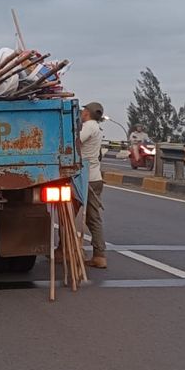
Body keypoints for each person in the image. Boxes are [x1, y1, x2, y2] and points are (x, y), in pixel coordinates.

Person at [79, 102, 107, 269]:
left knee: (92, 217)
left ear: (87, 113)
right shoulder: (96, 127)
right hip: (92, 176)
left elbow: (77, 141)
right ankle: (64, 248)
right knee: (73, 213)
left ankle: (99, 254)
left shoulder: (89, 126)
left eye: (83, 110)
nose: (82, 113)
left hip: (87, 178)